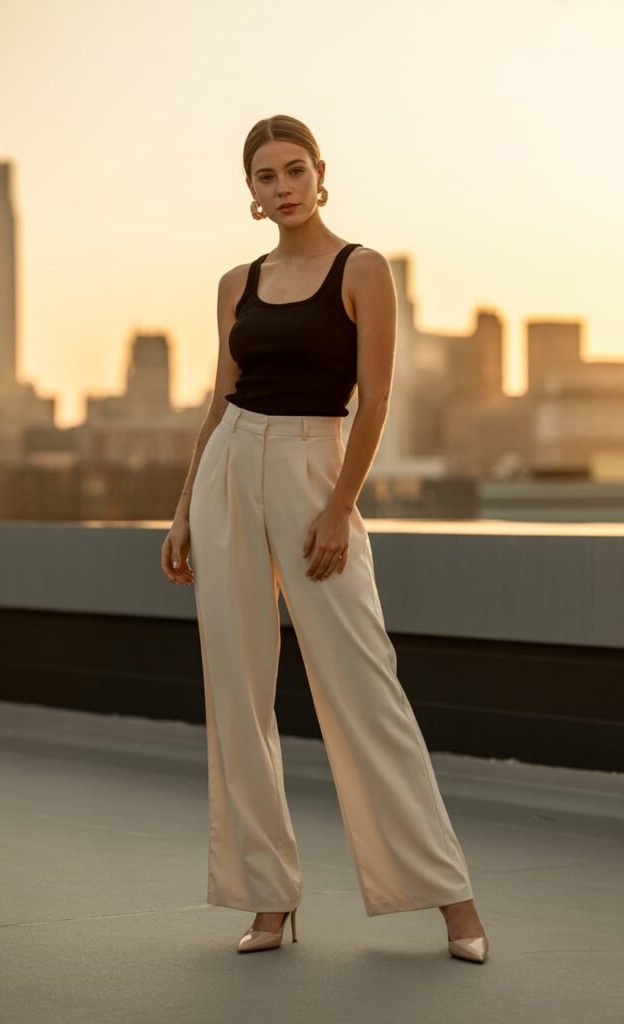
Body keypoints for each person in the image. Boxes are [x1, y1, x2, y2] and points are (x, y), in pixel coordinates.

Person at [161, 114, 489, 964]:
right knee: (237, 691)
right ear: (251, 192)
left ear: (320, 174)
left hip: (316, 469)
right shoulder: (237, 281)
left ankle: (450, 898)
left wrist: (341, 507)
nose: (282, 187)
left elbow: (373, 402)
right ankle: (267, 900)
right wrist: (183, 504)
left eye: (294, 170)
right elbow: (219, 396)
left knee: (362, 684)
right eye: (265, 176)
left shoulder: (361, 269)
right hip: (231, 466)